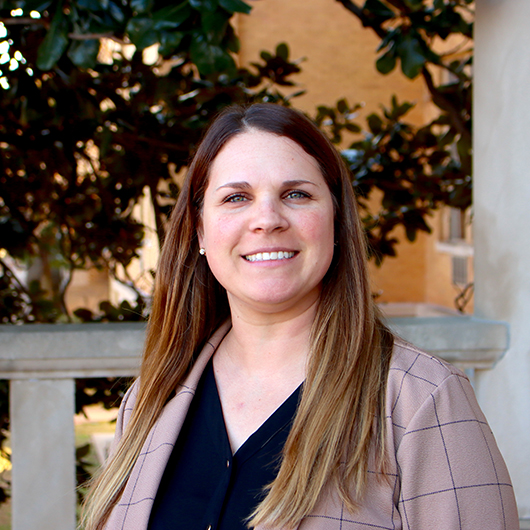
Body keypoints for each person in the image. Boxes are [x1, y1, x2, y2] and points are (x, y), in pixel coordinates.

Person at [81, 103, 518, 530]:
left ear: (336, 219)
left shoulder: (422, 401)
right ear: (199, 230)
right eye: (236, 197)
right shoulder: (149, 402)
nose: (267, 219)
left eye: (296, 194)